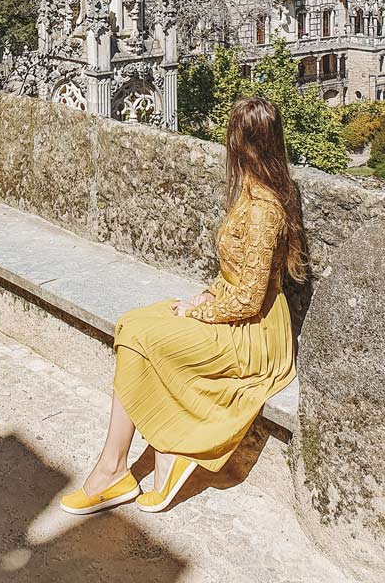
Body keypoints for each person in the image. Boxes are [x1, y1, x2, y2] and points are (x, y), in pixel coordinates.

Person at [60, 96, 307, 516]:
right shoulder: (253, 192)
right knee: (133, 324)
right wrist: (205, 296)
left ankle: (123, 466)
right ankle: (123, 465)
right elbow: (237, 276)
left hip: (255, 333)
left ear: (240, 144)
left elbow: (249, 299)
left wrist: (198, 312)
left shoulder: (264, 208)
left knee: (147, 335)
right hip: (230, 308)